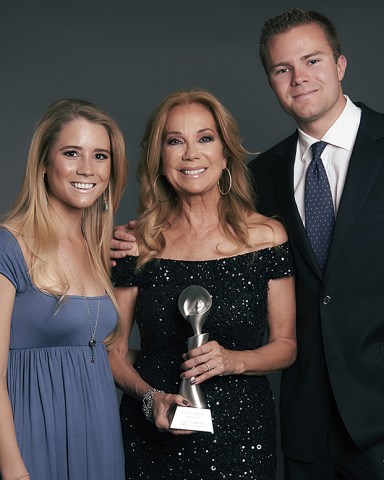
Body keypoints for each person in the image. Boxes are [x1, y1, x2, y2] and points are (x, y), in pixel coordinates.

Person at [108, 89, 296, 479]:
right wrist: (151, 400)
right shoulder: (136, 243)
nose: (191, 154)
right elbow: (114, 351)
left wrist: (234, 360)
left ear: (226, 154)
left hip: (241, 437)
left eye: (205, 138)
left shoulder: (267, 237)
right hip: (151, 434)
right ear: (160, 159)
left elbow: (286, 346)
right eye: (175, 141)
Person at [248, 8, 384, 480]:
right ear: (271, 80)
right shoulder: (260, 177)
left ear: (340, 65)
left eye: (312, 61)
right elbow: (207, 235)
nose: (299, 78)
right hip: (307, 423)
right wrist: (145, 234)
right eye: (282, 69)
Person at [0, 99, 128, 480]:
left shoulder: (99, 248)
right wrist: (14, 471)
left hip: (99, 437)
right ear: (43, 163)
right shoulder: (11, 245)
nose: (87, 169)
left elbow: (91, 348)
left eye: (100, 155)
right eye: (72, 153)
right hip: (31, 440)